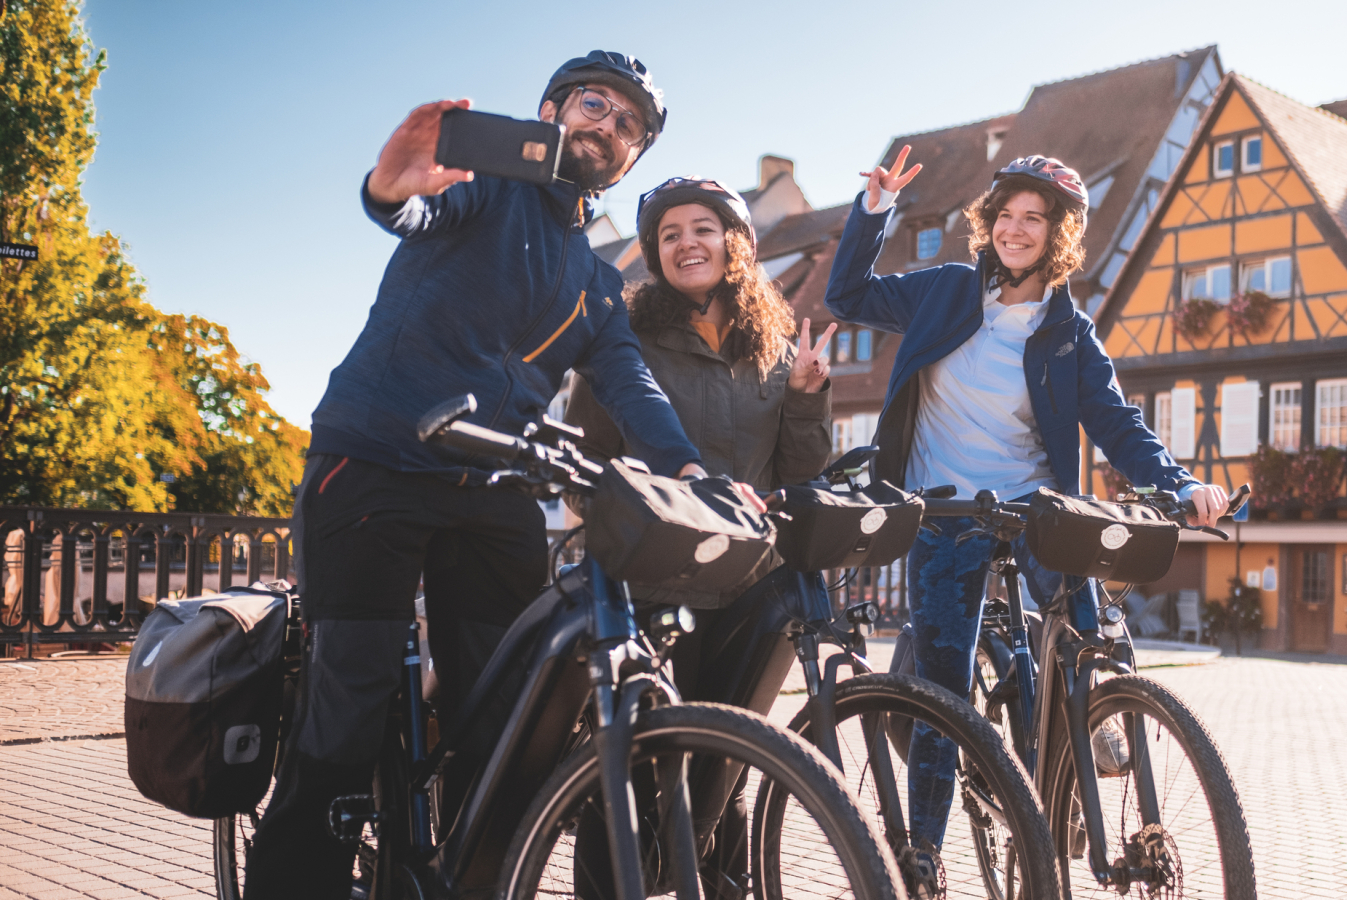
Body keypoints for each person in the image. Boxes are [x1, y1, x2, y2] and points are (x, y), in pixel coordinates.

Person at [245, 52, 730, 899]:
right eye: (594, 104)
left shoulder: (598, 283)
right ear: (551, 110)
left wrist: (694, 472)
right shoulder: (491, 187)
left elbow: (631, 383)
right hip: (377, 464)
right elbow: (420, 214)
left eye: (629, 127)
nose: (608, 128)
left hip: (495, 487)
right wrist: (392, 191)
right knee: (348, 714)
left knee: (509, 728)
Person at [824, 147, 1230, 892]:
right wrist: (875, 210)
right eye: (1005, 216)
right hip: (944, 513)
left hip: (1033, 509)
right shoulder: (946, 291)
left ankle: (1089, 723)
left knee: (1091, 624)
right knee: (944, 695)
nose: (1014, 230)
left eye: (1032, 220)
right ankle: (923, 853)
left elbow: (1115, 422)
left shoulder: (1068, 332)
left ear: (1058, 235)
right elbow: (847, 294)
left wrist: (1179, 482)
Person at [562, 176, 834, 899]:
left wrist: (807, 397)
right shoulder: (629, 338)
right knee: (629, 767)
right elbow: (585, 458)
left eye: (703, 229)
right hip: (651, 582)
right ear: (655, 253)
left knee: (731, 761)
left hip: (747, 582)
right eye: (671, 233)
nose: (688, 243)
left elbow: (797, 471)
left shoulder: (772, 348)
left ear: (736, 244)